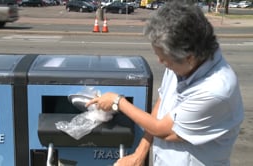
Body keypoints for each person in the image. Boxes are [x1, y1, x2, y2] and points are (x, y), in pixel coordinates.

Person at [86, 1, 244, 166]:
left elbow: (162, 130)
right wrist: (139, 154)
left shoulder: (215, 91)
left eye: (164, 58)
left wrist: (118, 101)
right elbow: (161, 107)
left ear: (189, 57)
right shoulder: (182, 61)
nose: (160, 62)